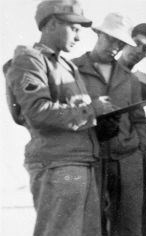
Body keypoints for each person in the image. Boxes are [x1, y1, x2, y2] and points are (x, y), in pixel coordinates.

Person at [3, 0, 116, 235]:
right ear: (52, 24)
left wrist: (100, 124)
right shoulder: (30, 59)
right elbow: (38, 112)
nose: (78, 37)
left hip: (79, 162)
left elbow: (70, 114)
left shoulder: (66, 66)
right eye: (74, 29)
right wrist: (92, 110)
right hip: (58, 165)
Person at [72, 13, 146, 236]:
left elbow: (140, 120)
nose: (115, 47)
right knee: (90, 226)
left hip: (126, 160)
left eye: (121, 43)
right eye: (110, 39)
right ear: (98, 33)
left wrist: (137, 144)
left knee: (128, 227)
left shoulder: (129, 78)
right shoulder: (74, 71)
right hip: (90, 160)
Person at [118, 22, 146, 236]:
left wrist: (143, 137)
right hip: (105, 153)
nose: (138, 51)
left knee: (139, 214)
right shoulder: (101, 72)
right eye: (136, 43)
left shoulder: (145, 81)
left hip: (137, 155)